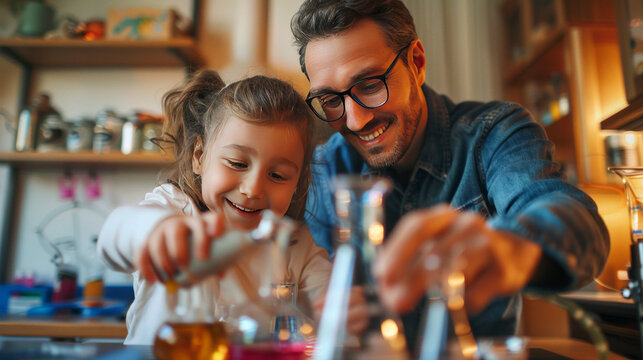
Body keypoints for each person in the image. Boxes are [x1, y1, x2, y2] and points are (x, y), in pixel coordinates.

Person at [291, 0, 609, 350]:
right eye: (330, 100)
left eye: (369, 85)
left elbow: (579, 224)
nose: (354, 121)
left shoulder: (494, 134)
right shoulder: (325, 168)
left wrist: (508, 248)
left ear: (417, 62)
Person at [97, 70, 331, 345]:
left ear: (297, 183)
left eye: (277, 175)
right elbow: (113, 236)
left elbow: (331, 308)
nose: (253, 189)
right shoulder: (174, 210)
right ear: (199, 156)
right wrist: (157, 230)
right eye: (237, 163)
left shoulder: (295, 244)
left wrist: (345, 310)